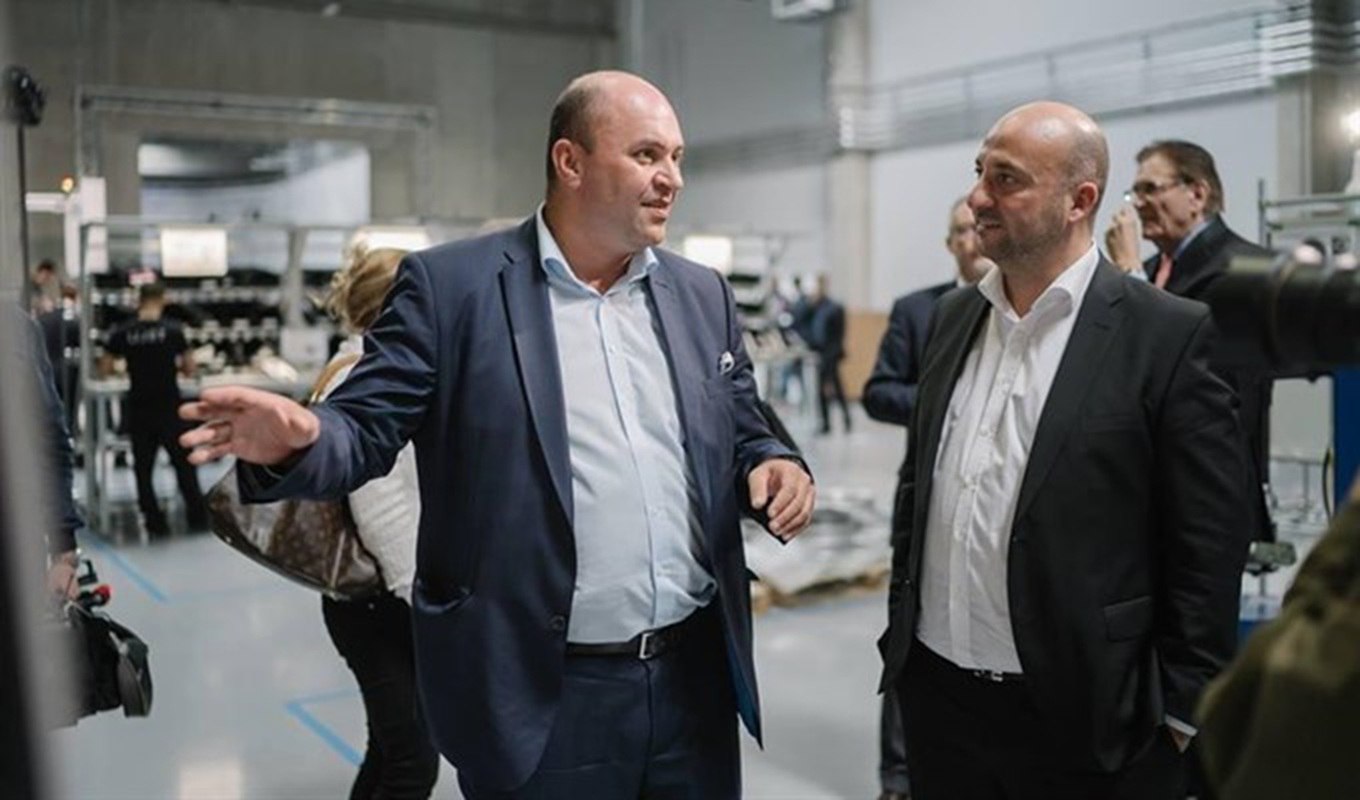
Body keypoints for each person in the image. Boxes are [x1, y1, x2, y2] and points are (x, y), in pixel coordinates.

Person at [179, 70, 815, 799]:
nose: (671, 177)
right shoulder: (454, 290)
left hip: (693, 686)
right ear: (569, 161)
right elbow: (364, 427)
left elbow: (742, 424)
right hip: (545, 696)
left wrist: (773, 461)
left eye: (676, 157)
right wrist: (303, 437)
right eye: (646, 155)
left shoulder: (701, 294)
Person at [877, 101, 1252, 799]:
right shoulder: (955, 318)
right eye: (979, 173)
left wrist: (1181, 710)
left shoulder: (1162, 334)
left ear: (1079, 201)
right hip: (941, 706)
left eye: (1006, 179)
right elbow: (918, 490)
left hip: (1089, 718)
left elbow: (1209, 536)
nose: (977, 198)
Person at [861, 196, 992, 800]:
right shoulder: (921, 311)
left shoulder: (1024, 312)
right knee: (909, 639)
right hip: (927, 500)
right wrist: (946, 405)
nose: (973, 238)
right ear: (949, 244)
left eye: (979, 227)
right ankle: (898, 776)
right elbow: (878, 391)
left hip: (994, 512)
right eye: (961, 230)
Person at [312, 246, 438, 799]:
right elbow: (380, 507)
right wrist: (421, 599)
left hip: (371, 600)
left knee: (389, 749)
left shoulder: (364, 365)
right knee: (413, 763)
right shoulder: (364, 380)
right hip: (378, 602)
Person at [1105, 139, 1275, 543]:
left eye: (1151, 189)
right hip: (1145, 488)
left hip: (1207, 493)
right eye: (1135, 192)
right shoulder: (1152, 270)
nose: (1139, 204)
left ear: (1197, 193)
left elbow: (1198, 372)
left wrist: (1129, 275)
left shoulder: (1245, 269)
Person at [104, 282, 207, 535]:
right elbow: (189, 368)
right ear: (162, 299)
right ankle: (197, 516)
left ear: (139, 300)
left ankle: (154, 521)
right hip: (169, 406)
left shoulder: (123, 332)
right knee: (183, 464)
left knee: (143, 469)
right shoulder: (173, 330)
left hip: (140, 407)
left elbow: (105, 367)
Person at [795, 274, 851, 434]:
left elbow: (840, 334)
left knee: (835, 388)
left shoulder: (835, 307)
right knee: (824, 389)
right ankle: (826, 423)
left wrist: (835, 353)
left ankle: (845, 419)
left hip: (831, 353)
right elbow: (800, 319)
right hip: (820, 351)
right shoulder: (815, 306)